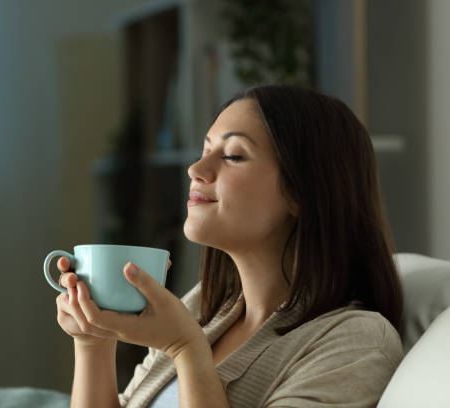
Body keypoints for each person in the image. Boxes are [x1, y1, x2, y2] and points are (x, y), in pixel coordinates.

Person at [54, 85, 404, 407]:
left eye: (234, 155)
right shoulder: (206, 307)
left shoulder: (357, 341)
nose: (196, 168)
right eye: (205, 150)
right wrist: (93, 342)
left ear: (302, 192)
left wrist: (187, 350)